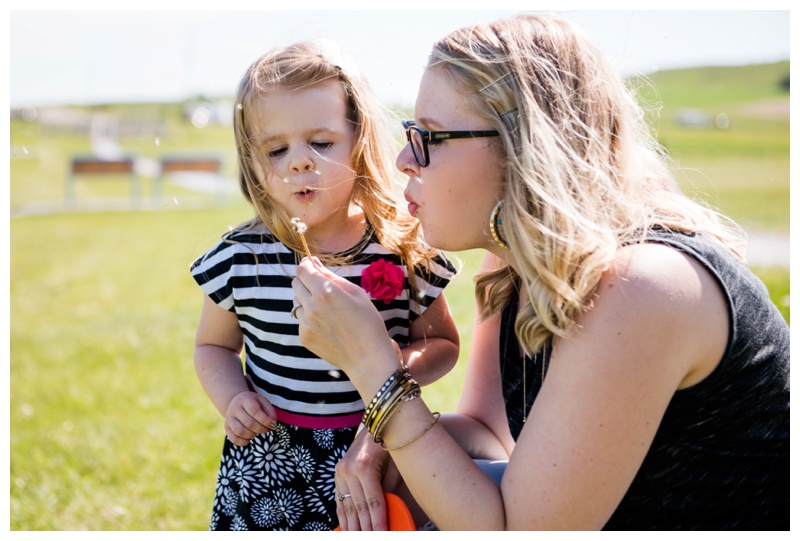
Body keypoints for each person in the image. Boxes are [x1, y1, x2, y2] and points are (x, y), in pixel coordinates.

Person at [291, 13, 790, 531]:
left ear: (523, 146)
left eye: (430, 137)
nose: (403, 160)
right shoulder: (512, 259)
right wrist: (382, 443)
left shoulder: (641, 286)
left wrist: (376, 371)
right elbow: (489, 434)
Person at [190, 40, 460, 531]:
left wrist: (386, 367)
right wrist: (232, 398)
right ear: (253, 162)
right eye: (277, 149)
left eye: (320, 142)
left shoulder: (400, 247)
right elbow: (213, 345)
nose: (298, 162)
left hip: (378, 445)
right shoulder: (241, 257)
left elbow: (441, 343)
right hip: (271, 459)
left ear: (358, 139)